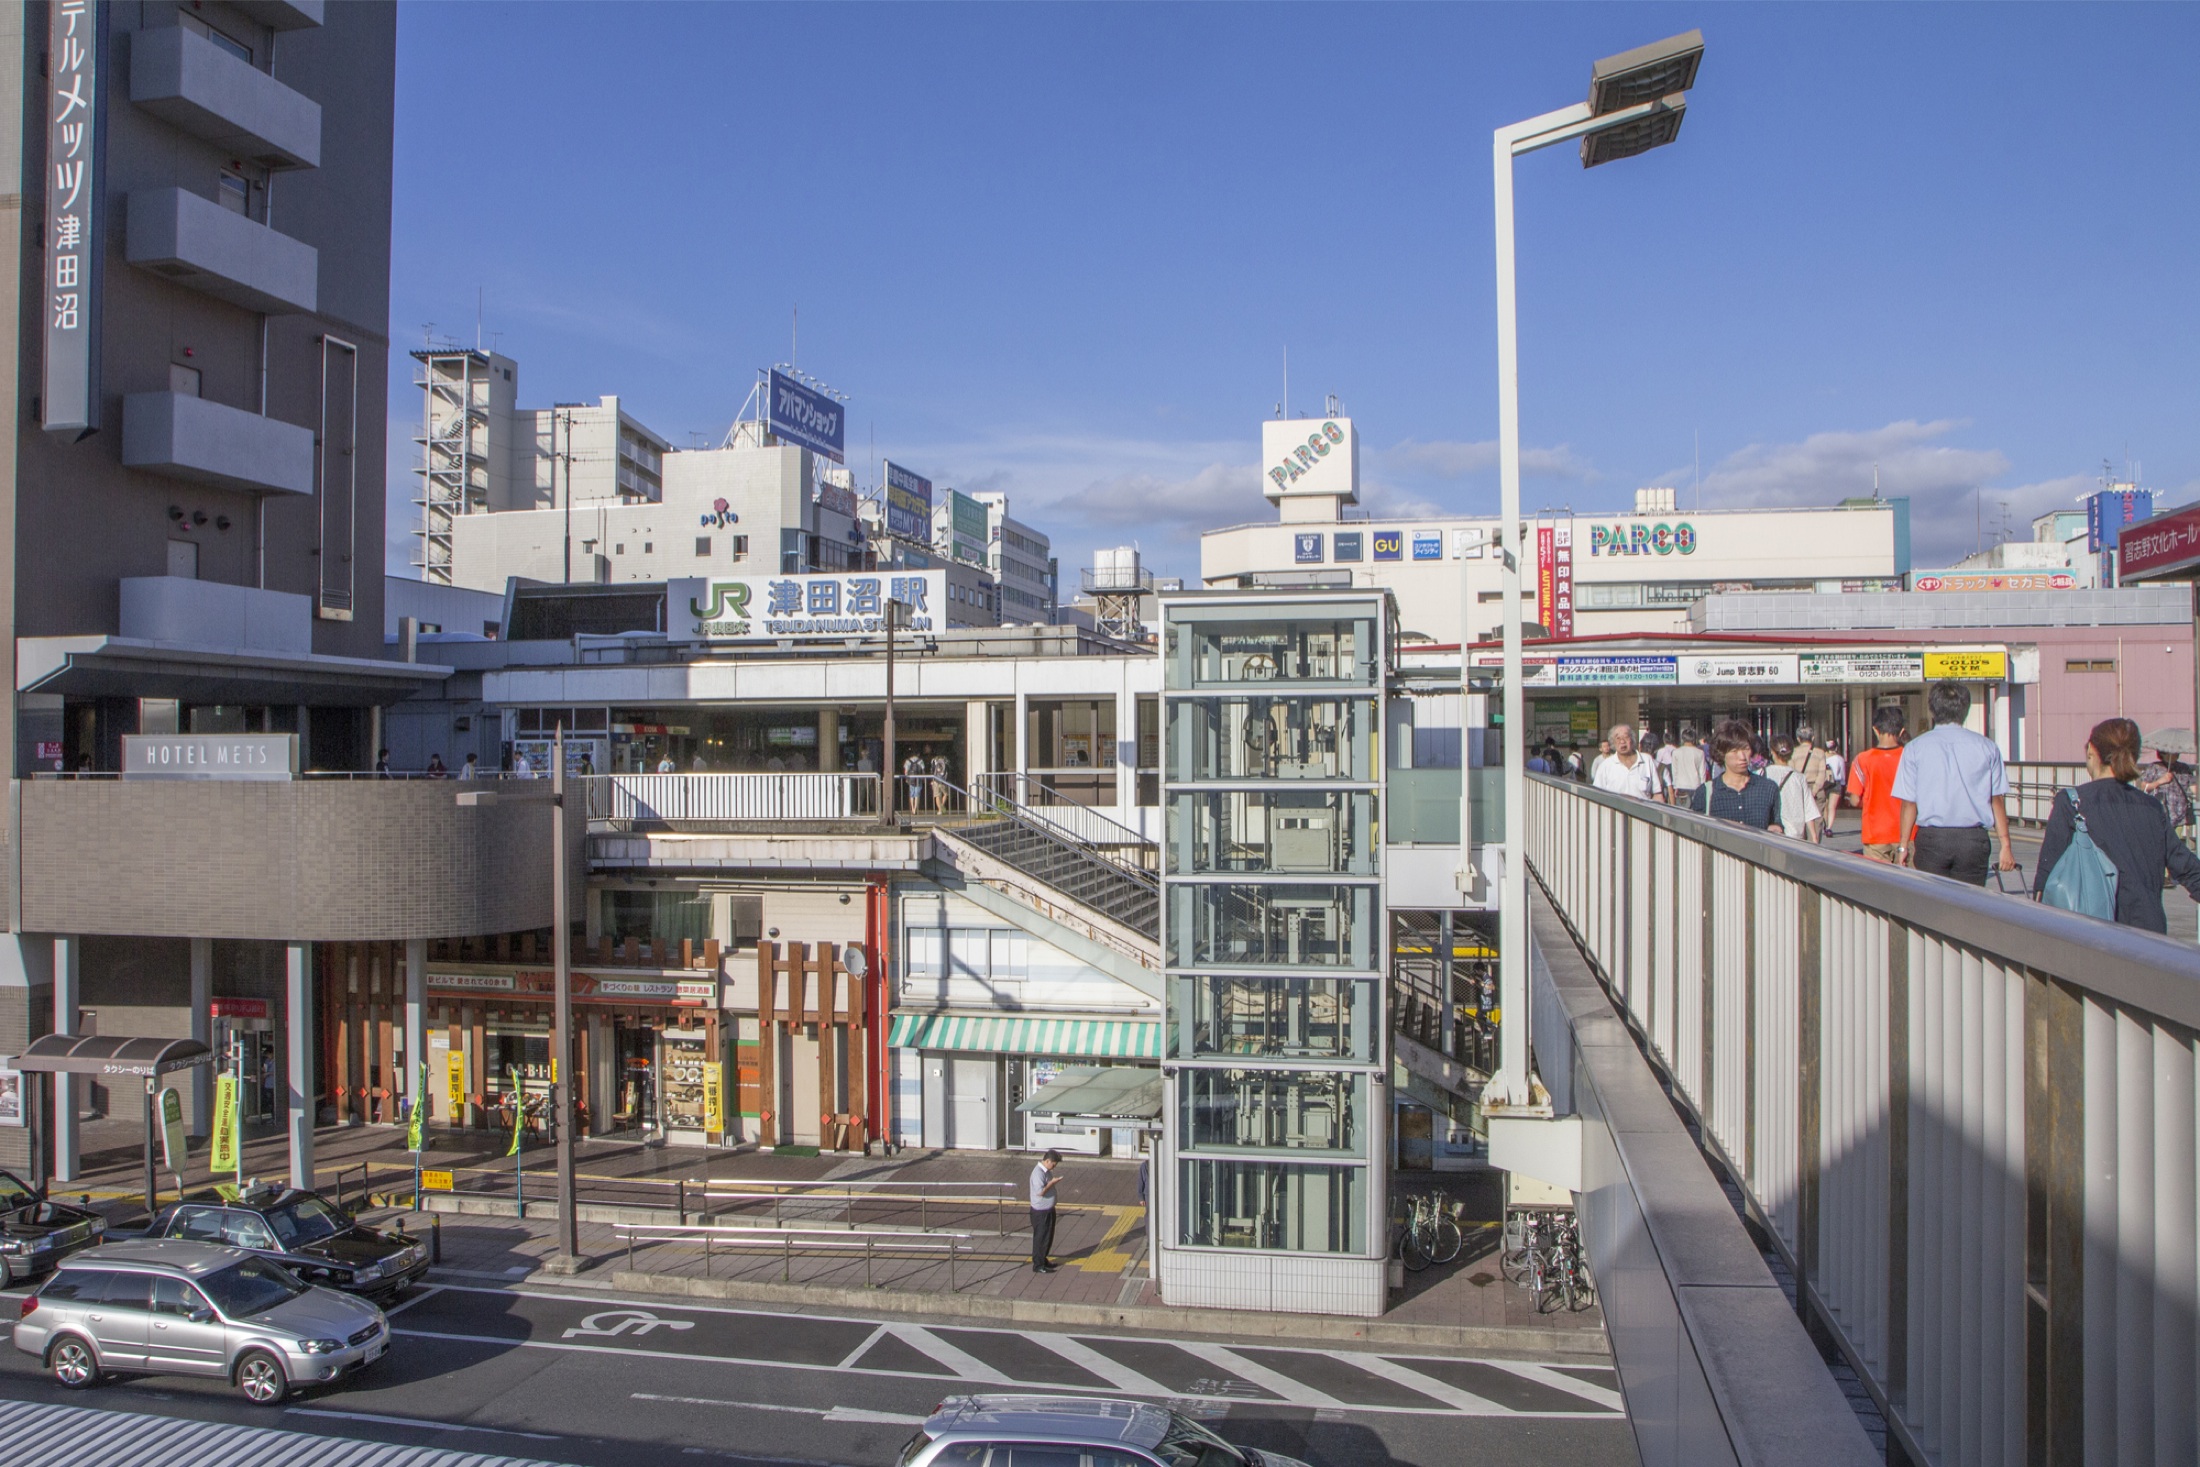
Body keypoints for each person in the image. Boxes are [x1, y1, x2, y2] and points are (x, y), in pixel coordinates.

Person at [2034, 718, 2200, 932]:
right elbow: (2187, 869)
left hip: (2094, 932)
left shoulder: (2072, 802)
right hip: (2149, 933)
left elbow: (2047, 874)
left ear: (2092, 751)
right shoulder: (2152, 808)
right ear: (2135, 755)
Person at [1893, 681, 2014, 886]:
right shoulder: (1987, 747)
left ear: (1933, 710)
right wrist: (2006, 845)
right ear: (1964, 710)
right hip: (1972, 840)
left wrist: (1903, 846)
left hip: (1932, 839)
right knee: (1969, 905)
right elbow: (1996, 800)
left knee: (1932, 904)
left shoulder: (1915, 748)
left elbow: (1909, 803)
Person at [1685, 719, 1782, 832]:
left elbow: (1776, 823)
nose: (1742, 757)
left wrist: (1776, 829)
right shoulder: (1706, 792)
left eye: (1746, 749)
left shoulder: (1768, 788)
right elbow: (1696, 832)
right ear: (1721, 753)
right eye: (1734, 751)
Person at [1845, 707, 1908, 861]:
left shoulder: (1862, 759)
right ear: (1901, 732)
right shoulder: (1910, 757)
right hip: (1907, 833)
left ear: (1875, 730)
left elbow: (1854, 800)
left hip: (1875, 833)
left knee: (1878, 881)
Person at [1765, 736, 1822, 840]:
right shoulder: (1799, 777)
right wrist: (1814, 836)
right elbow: (1808, 808)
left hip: (1771, 831)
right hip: (1795, 833)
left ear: (1772, 752)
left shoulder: (1764, 774)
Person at [1591, 723, 1661, 800]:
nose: (1622, 741)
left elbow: (1658, 794)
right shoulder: (1605, 766)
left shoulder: (1647, 760)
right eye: (1618, 738)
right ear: (1613, 742)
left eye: (1626, 737)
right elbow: (1596, 797)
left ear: (1632, 739)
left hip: (1642, 811)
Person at [1789, 725, 1830, 843]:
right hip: (1816, 788)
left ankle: (1801, 845)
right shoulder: (1820, 753)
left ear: (1798, 739)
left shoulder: (1793, 752)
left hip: (1799, 788)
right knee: (1817, 819)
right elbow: (1822, 774)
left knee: (1800, 818)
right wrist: (1815, 790)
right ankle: (1815, 845)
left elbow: (1792, 773)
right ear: (1813, 738)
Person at [2137, 746, 2192, 835]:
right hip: (2159, 813)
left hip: (2180, 814)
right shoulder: (2154, 767)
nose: (2175, 755)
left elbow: (2191, 786)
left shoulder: (2184, 768)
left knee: (2175, 844)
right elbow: (2143, 787)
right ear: (2163, 753)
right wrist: (2160, 781)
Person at [1029, 1148, 1062, 1273]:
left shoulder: (1046, 1171)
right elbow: (1040, 1192)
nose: (1053, 1168)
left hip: (1048, 1209)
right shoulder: (1038, 1173)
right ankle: (1038, 1265)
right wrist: (1052, 1183)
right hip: (1040, 1212)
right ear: (1047, 1161)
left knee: (1048, 1236)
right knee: (1041, 1238)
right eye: (1053, 1165)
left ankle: (1043, 1259)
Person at [1669, 724, 1708, 807]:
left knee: (1682, 815)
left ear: (1683, 738)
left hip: (1681, 786)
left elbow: (1674, 771)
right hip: (1696, 786)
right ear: (1694, 738)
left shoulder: (1676, 752)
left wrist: (1675, 786)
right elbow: (1702, 773)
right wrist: (1702, 789)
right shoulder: (1700, 753)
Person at [1821, 740, 1846, 833]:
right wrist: (1843, 784)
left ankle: (1825, 823)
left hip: (1825, 783)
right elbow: (1842, 774)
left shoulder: (1822, 757)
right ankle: (1829, 828)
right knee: (1832, 807)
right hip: (1836, 783)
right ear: (1836, 747)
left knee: (1825, 806)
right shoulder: (1839, 758)